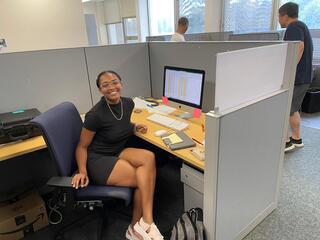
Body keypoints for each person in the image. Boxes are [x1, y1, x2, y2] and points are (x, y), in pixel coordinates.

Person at [71, 70, 164, 240]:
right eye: (105, 85)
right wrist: (82, 171)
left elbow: (119, 123)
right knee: (143, 179)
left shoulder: (129, 104)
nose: (111, 87)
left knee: (149, 157)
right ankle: (145, 224)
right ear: (100, 90)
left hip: (117, 150)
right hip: (99, 159)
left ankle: (139, 226)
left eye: (115, 82)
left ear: (121, 84)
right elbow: (81, 147)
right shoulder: (95, 115)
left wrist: (134, 127)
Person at [278, 2, 314, 152]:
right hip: (304, 77)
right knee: (294, 109)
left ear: (285, 15)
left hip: (297, 77)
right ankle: (297, 138)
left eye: (279, 16)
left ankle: (285, 142)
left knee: (284, 109)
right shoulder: (302, 26)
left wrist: (289, 71)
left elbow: (298, 46)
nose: (279, 20)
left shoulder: (293, 27)